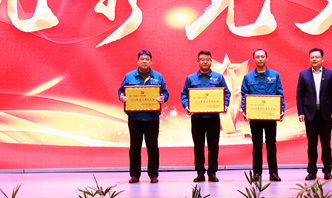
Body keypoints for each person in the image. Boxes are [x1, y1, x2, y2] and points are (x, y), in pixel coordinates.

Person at [118, 50, 170, 184]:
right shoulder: (129, 76)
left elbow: (165, 93)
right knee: (135, 147)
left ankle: (153, 175)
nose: (144, 61)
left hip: (152, 118)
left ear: (151, 61)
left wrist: (163, 98)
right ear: (138, 61)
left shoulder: (158, 76)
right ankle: (135, 175)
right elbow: (121, 91)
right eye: (142, 59)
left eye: (147, 59)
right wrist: (121, 97)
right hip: (134, 118)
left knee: (153, 147)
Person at [181, 50, 231, 182]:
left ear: (211, 61)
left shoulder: (218, 77)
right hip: (197, 119)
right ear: (198, 61)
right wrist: (187, 106)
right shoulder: (191, 78)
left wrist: (225, 105)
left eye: (207, 59)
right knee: (198, 147)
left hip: (213, 118)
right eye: (202, 59)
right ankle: (200, 173)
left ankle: (212, 173)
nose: (205, 62)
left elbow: (226, 93)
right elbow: (184, 94)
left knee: (213, 146)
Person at [240, 49, 285, 182]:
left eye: (262, 57)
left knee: (271, 144)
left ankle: (274, 173)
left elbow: (280, 93)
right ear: (254, 59)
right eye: (257, 57)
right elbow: (244, 95)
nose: (260, 59)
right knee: (257, 145)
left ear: (266, 58)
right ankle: (257, 173)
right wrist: (245, 110)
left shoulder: (275, 75)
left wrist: (281, 110)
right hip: (255, 117)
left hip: (271, 116)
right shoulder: (248, 77)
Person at [296, 48, 332, 180]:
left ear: (322, 59)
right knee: (311, 145)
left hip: (325, 115)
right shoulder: (303, 74)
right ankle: (312, 171)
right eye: (312, 57)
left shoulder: (330, 74)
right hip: (310, 115)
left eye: (317, 57)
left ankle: (327, 171)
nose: (314, 59)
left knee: (326, 145)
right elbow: (300, 95)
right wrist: (301, 112)